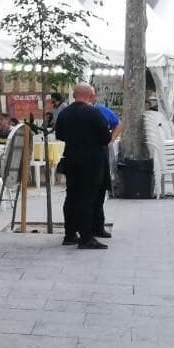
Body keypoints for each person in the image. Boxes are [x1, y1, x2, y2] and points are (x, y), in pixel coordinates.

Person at [55, 83, 112, 250]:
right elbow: (106, 138)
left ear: (75, 95)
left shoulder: (64, 113)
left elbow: (60, 135)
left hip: (71, 159)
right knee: (87, 198)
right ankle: (86, 237)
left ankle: (70, 234)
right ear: (89, 95)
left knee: (71, 196)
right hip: (91, 162)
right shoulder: (93, 113)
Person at [89, 99, 119, 240]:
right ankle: (85, 228)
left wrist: (111, 140)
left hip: (100, 154)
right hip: (84, 156)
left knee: (100, 191)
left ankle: (98, 227)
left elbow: (118, 124)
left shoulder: (101, 110)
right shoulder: (74, 111)